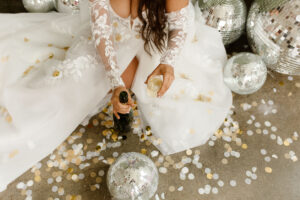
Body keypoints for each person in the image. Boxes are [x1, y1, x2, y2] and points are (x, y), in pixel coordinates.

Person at [0, 0, 232, 191]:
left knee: (157, 95)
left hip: (161, 35)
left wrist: (168, 63)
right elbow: (102, 30)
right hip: (116, 35)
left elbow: (179, 28)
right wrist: (115, 82)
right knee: (77, 83)